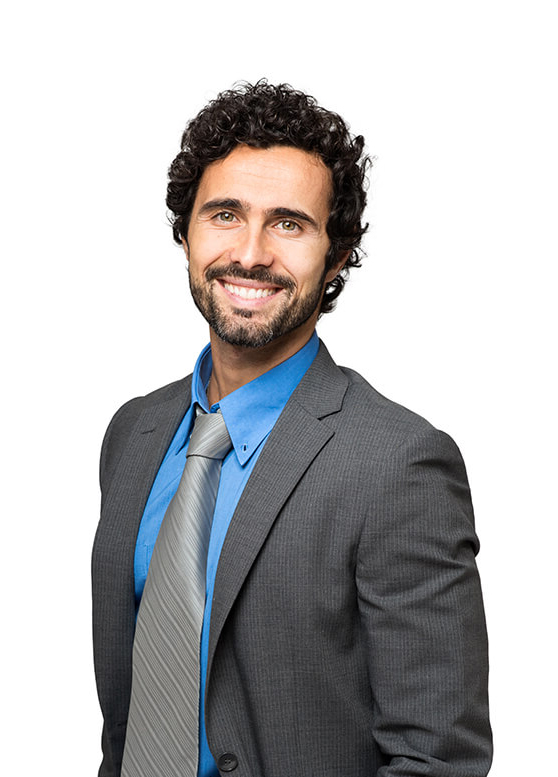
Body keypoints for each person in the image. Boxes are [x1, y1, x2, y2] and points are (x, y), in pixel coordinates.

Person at [92, 80, 492, 777]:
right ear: (185, 233)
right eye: (224, 214)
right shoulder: (135, 433)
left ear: (336, 256)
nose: (250, 253)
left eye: (288, 223)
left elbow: (437, 758)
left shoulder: (398, 465)